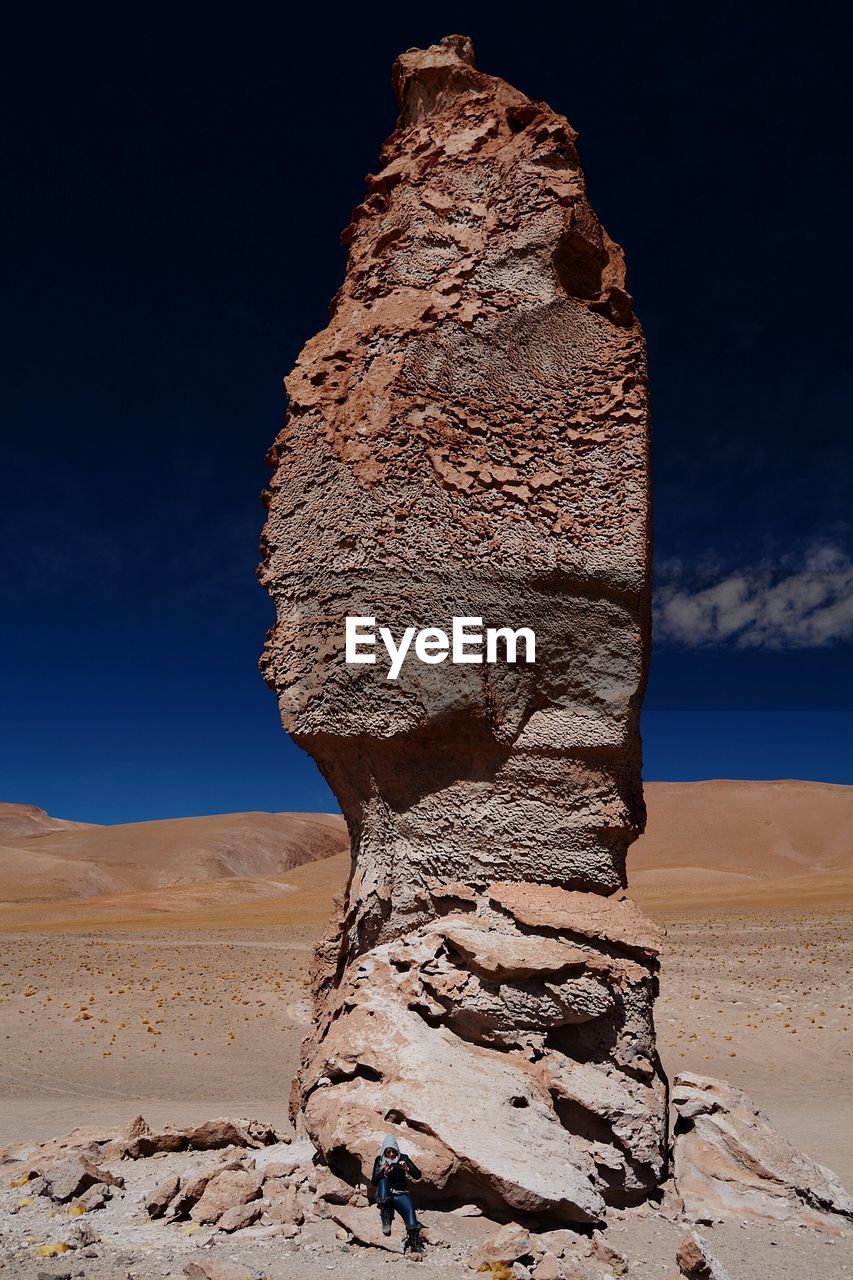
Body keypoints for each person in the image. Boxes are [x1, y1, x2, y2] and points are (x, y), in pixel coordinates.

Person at [371, 1133, 424, 1255]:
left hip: (400, 1193)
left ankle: (414, 1243)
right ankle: (386, 1215)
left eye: (393, 1151)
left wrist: (407, 1169)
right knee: (383, 1181)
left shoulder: (403, 1158)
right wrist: (384, 1172)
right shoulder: (380, 1160)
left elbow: (418, 1175)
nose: (391, 1154)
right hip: (385, 1194)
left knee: (410, 1210)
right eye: (388, 1152)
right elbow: (374, 1181)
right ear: (384, 1151)